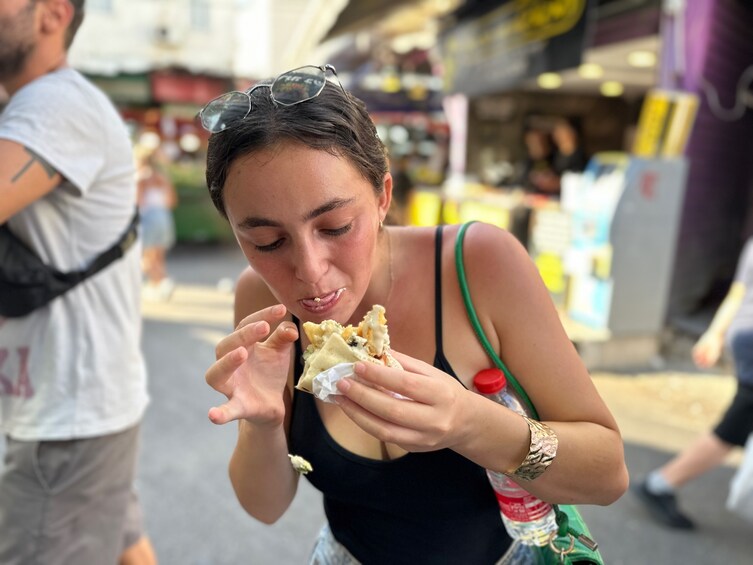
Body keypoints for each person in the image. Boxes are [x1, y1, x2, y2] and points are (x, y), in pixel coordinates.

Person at [200, 64, 628, 564]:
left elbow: (607, 475)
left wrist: (469, 423)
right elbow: (266, 506)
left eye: (336, 226)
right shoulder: (262, 305)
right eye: (267, 241)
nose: (310, 272)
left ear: (383, 197)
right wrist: (263, 425)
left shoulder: (477, 264)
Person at [0, 1, 156, 564]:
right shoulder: (35, 102)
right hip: (86, 402)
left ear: (53, 14)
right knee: (125, 544)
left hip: (67, 420)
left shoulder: (52, 103)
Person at [634, 237, 753, 529]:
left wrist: (715, 333)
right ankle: (659, 484)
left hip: (743, 337)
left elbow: (738, 294)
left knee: (737, 425)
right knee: (735, 426)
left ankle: (660, 483)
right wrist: (713, 334)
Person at [136, 149, 177, 301]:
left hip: (148, 217)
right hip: (164, 216)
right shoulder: (163, 177)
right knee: (158, 255)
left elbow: (137, 201)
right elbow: (172, 201)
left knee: (146, 256)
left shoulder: (140, 177)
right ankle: (157, 287)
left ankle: (164, 282)